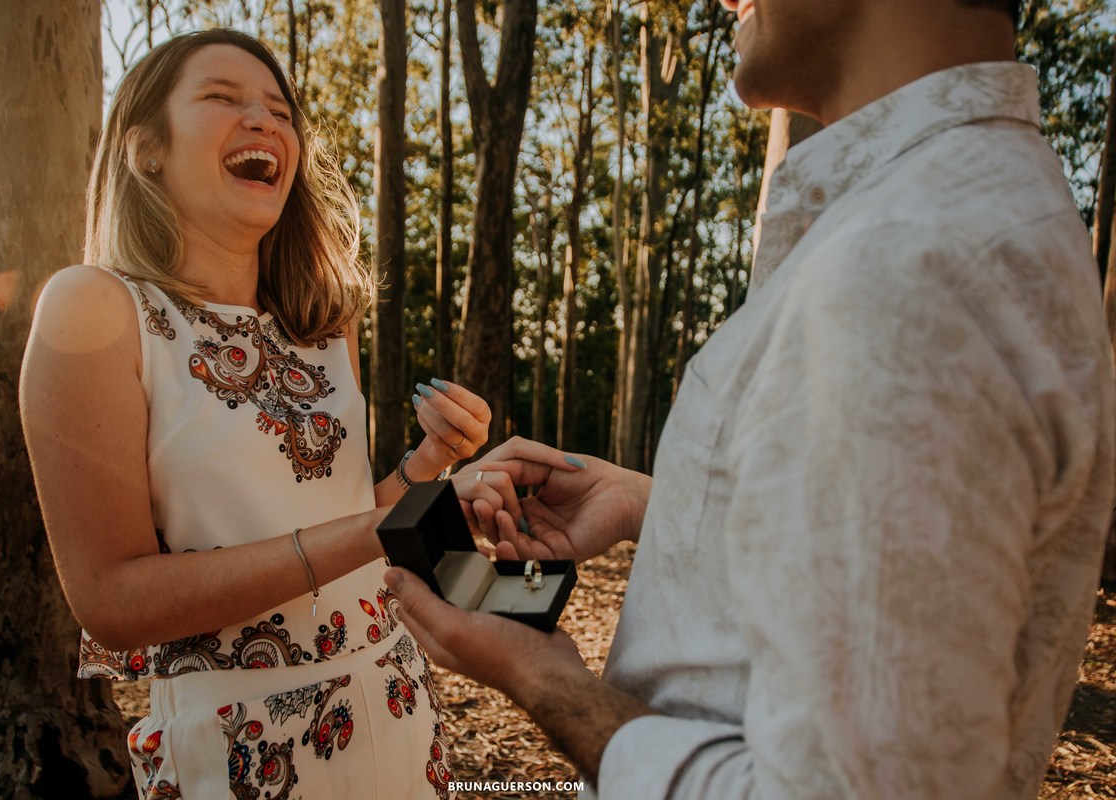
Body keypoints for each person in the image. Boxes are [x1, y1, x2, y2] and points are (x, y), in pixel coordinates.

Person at [386, 0, 1116, 797]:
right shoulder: (945, 209)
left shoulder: (909, 259)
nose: (726, 1)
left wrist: (543, 676)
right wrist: (659, 506)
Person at [21, 28, 518, 799]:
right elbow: (111, 600)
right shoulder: (97, 308)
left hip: (396, 706)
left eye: (281, 111)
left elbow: (355, 526)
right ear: (144, 147)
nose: (265, 121)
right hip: (240, 750)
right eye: (223, 98)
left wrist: (425, 469)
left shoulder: (322, 323)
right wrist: (374, 527)